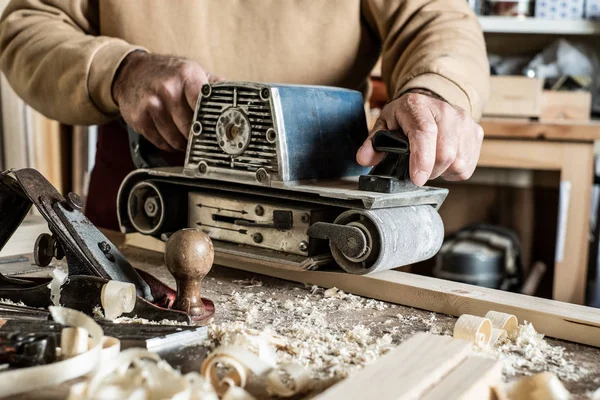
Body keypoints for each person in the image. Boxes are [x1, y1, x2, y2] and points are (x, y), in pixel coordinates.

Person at [0, 0, 489, 230]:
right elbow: (29, 24)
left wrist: (436, 88)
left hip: (324, 208)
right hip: (146, 195)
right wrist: (120, 70)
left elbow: (434, 15)